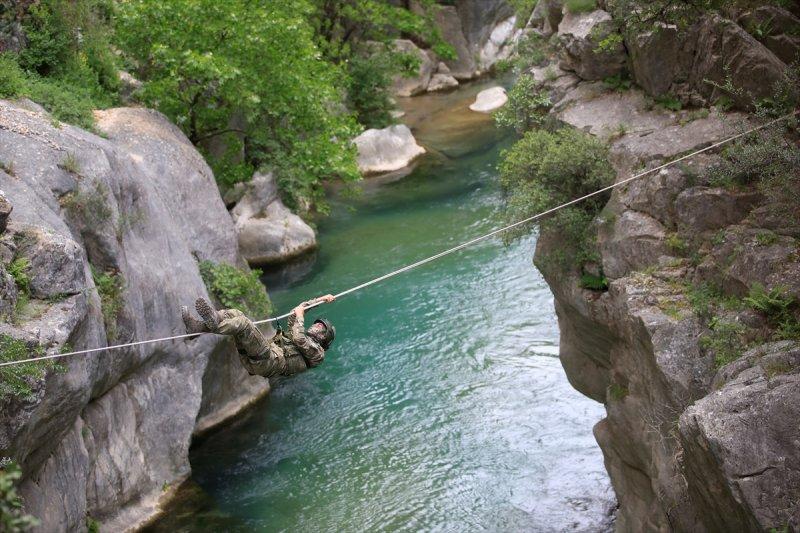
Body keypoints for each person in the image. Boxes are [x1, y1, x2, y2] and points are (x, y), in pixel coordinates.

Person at [181, 295, 336, 378]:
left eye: (321, 327)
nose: (316, 325)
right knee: (235, 313)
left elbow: (298, 338)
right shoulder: (298, 331)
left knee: (243, 323)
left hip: (267, 361)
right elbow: (297, 312)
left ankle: (215, 325)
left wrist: (300, 317)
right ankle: (198, 327)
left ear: (324, 338)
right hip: (258, 358)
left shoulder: (318, 354)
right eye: (318, 323)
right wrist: (321, 299)